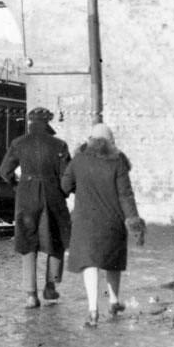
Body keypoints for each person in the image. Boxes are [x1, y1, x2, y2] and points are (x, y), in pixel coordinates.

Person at [61, 123, 146, 328]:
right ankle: (114, 301)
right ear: (111, 141)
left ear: (90, 140)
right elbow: (126, 195)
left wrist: (81, 187)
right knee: (112, 262)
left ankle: (93, 310)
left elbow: (65, 185)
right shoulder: (118, 161)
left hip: (85, 221)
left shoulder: (79, 159)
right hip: (112, 220)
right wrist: (133, 221)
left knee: (89, 264)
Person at [0, 107, 72, 309]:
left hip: (26, 196)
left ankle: (31, 295)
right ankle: (50, 287)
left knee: (27, 242)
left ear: (30, 123)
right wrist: (63, 192)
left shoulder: (18, 143)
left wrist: (18, 186)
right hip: (53, 195)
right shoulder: (59, 145)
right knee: (56, 240)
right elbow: (67, 177)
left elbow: (4, 171)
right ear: (47, 123)